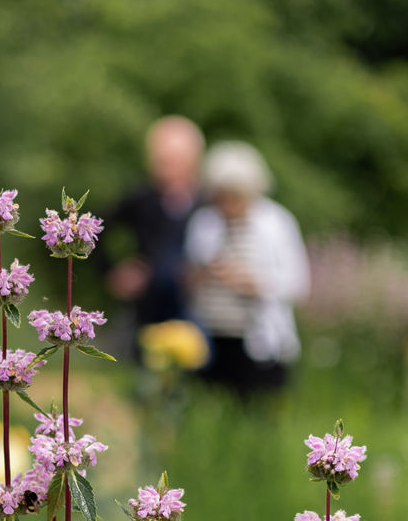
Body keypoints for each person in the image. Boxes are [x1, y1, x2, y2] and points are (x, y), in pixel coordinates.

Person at [184, 141, 310, 394]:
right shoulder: (204, 222)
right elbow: (188, 278)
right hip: (210, 337)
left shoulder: (277, 222)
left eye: (235, 195)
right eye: (222, 195)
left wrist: (253, 283)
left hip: (258, 339)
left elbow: (299, 284)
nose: (228, 203)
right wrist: (202, 274)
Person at [99, 115, 206, 345]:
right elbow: (96, 230)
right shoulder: (140, 198)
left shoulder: (209, 202)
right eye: (159, 160)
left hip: (198, 306)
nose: (163, 168)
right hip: (147, 305)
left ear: (193, 161)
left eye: (171, 160)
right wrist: (115, 271)